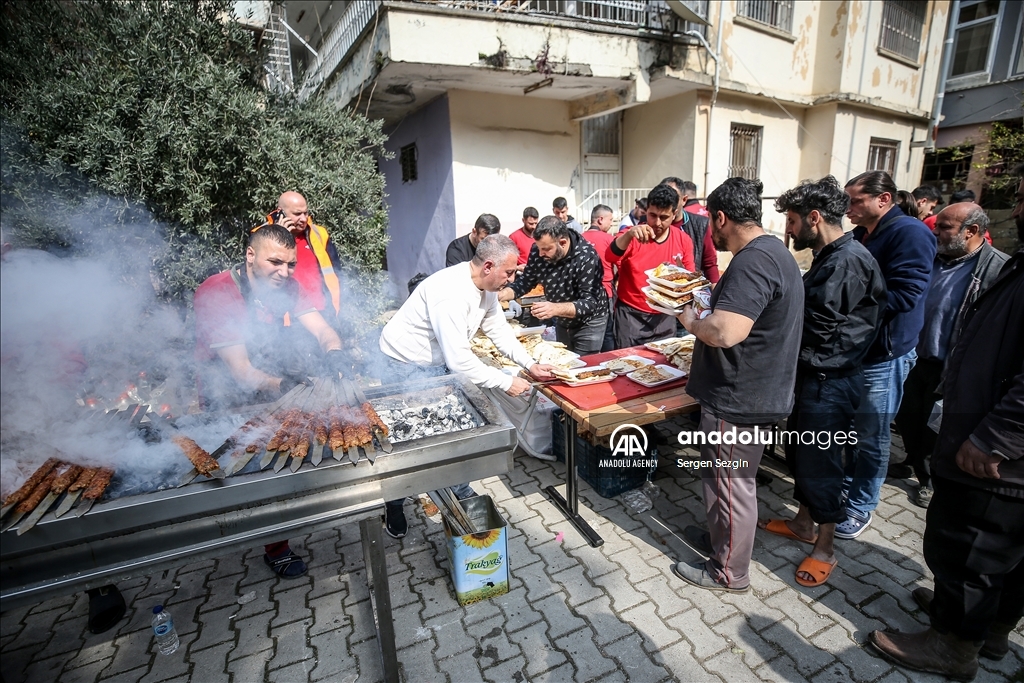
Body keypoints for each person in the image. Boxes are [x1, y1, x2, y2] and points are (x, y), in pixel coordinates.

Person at [868, 165, 1024, 681]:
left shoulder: (998, 267)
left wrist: (996, 436)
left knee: (970, 546)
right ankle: (991, 630)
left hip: (996, 448)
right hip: (951, 388)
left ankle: (953, 646)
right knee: (996, 551)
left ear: (977, 232)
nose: (1018, 208)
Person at [194, 223, 349, 578]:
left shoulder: (288, 287)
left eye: (291, 264)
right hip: (227, 392)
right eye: (275, 263)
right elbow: (240, 371)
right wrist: (284, 383)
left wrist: (336, 352)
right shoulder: (217, 293)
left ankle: (275, 546)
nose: (285, 272)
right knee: (241, 468)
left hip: (269, 378)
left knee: (272, 462)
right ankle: (236, 534)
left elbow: (323, 329)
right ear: (251, 256)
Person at [672, 178, 804, 593]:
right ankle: (721, 544)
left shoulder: (753, 261)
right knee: (727, 481)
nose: (710, 230)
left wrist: (690, 321)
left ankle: (729, 572)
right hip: (754, 391)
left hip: (739, 398)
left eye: (710, 221)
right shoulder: (774, 252)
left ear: (721, 217)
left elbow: (726, 332)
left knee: (731, 486)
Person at [756, 176, 886, 588]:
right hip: (815, 379)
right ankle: (803, 523)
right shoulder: (830, 256)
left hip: (830, 384)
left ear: (814, 218)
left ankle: (825, 547)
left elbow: (815, 325)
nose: (789, 230)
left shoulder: (847, 261)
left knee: (823, 466)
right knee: (802, 459)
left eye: (793, 221)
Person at [378, 235, 556, 537]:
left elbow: (499, 331)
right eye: (509, 273)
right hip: (402, 364)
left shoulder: (486, 288)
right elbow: (460, 361)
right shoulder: (451, 294)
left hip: (433, 363)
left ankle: (458, 489)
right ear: (488, 266)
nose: (512, 280)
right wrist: (505, 381)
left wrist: (529, 364)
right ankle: (394, 502)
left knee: (448, 431)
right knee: (405, 442)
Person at [837, 170, 935, 539]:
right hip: (857, 350)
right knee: (852, 430)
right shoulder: (862, 234)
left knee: (872, 435)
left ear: (884, 199)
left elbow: (906, 294)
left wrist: (846, 304)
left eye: (856, 200)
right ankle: (850, 486)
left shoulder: (911, 233)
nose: (849, 208)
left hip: (885, 353)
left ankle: (862, 506)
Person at [891, 203, 1008, 507]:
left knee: (935, 425)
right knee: (907, 417)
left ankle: (929, 478)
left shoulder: (997, 269)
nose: (936, 231)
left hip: (951, 367)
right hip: (914, 356)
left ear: (971, 231)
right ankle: (911, 459)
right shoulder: (932, 257)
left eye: (945, 227)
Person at [498, 217, 608, 355]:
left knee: (583, 366)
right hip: (562, 319)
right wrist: (501, 295)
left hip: (589, 322)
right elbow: (526, 281)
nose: (540, 253)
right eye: (538, 248)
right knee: (564, 360)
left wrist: (555, 308)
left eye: (546, 249)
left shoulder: (587, 257)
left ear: (562, 243)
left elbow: (589, 303)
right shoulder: (539, 251)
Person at [607, 184, 696, 348]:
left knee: (664, 367)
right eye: (652, 215)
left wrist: (683, 275)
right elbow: (610, 255)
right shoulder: (633, 234)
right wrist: (628, 234)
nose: (657, 222)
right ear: (646, 211)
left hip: (666, 316)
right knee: (628, 365)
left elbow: (690, 277)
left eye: (664, 217)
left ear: (674, 214)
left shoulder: (683, 240)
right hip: (631, 316)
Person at [260, 191, 344, 320]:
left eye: (306, 213)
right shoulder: (261, 236)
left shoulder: (319, 234)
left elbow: (336, 272)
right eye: (297, 214)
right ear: (281, 212)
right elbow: (257, 276)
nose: (304, 219)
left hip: (323, 313)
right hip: (283, 318)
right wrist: (280, 235)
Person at [661, 176, 720, 284]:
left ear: (684, 200)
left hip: (688, 291)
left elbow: (710, 264)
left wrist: (715, 295)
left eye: (673, 197)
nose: (668, 202)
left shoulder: (701, 224)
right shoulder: (648, 224)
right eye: (663, 197)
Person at [582, 205, 617, 352]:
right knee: (607, 334)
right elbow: (620, 266)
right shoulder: (609, 240)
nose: (611, 224)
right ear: (601, 219)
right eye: (611, 220)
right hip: (605, 293)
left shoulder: (578, 238)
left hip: (581, 296)